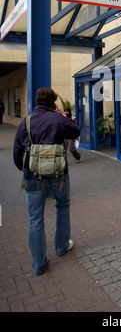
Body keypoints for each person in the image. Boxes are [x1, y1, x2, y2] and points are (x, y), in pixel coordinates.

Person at [13, 87, 80, 275]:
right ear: (53, 103)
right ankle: (61, 247)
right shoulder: (58, 119)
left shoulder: (26, 123)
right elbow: (75, 130)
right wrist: (61, 114)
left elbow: (17, 153)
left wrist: (24, 169)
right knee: (62, 207)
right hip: (58, 175)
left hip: (33, 176)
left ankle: (39, 264)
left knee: (35, 219)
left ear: (36, 101)